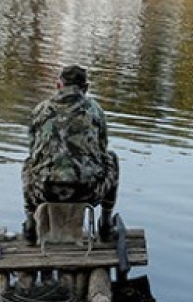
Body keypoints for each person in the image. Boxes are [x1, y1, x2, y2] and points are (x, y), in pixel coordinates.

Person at [21, 64, 120, 244]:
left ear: (59, 85)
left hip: (45, 191)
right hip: (87, 192)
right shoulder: (95, 110)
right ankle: (105, 224)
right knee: (112, 159)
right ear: (86, 88)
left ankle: (30, 225)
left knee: (28, 163)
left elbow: (33, 150)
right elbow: (102, 149)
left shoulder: (40, 109)